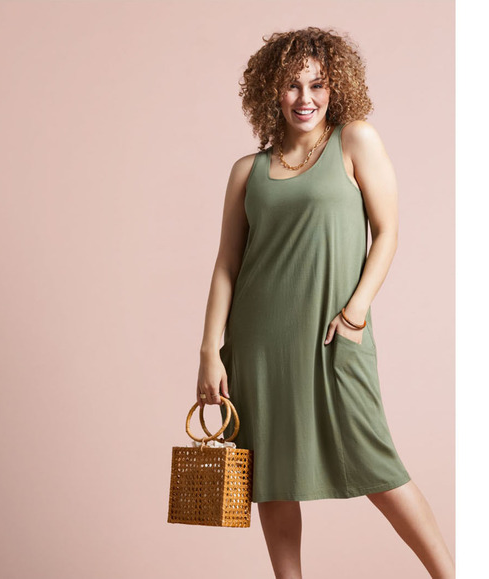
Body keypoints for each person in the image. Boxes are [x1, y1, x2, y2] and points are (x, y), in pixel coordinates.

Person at [195, 27, 455, 578]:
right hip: (257, 344)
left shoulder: (356, 141)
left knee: (377, 465)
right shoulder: (247, 171)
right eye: (292, 85)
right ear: (271, 90)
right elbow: (226, 264)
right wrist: (209, 352)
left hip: (333, 334)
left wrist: (357, 309)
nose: (304, 97)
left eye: (316, 84)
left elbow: (387, 231)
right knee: (271, 478)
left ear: (335, 87)